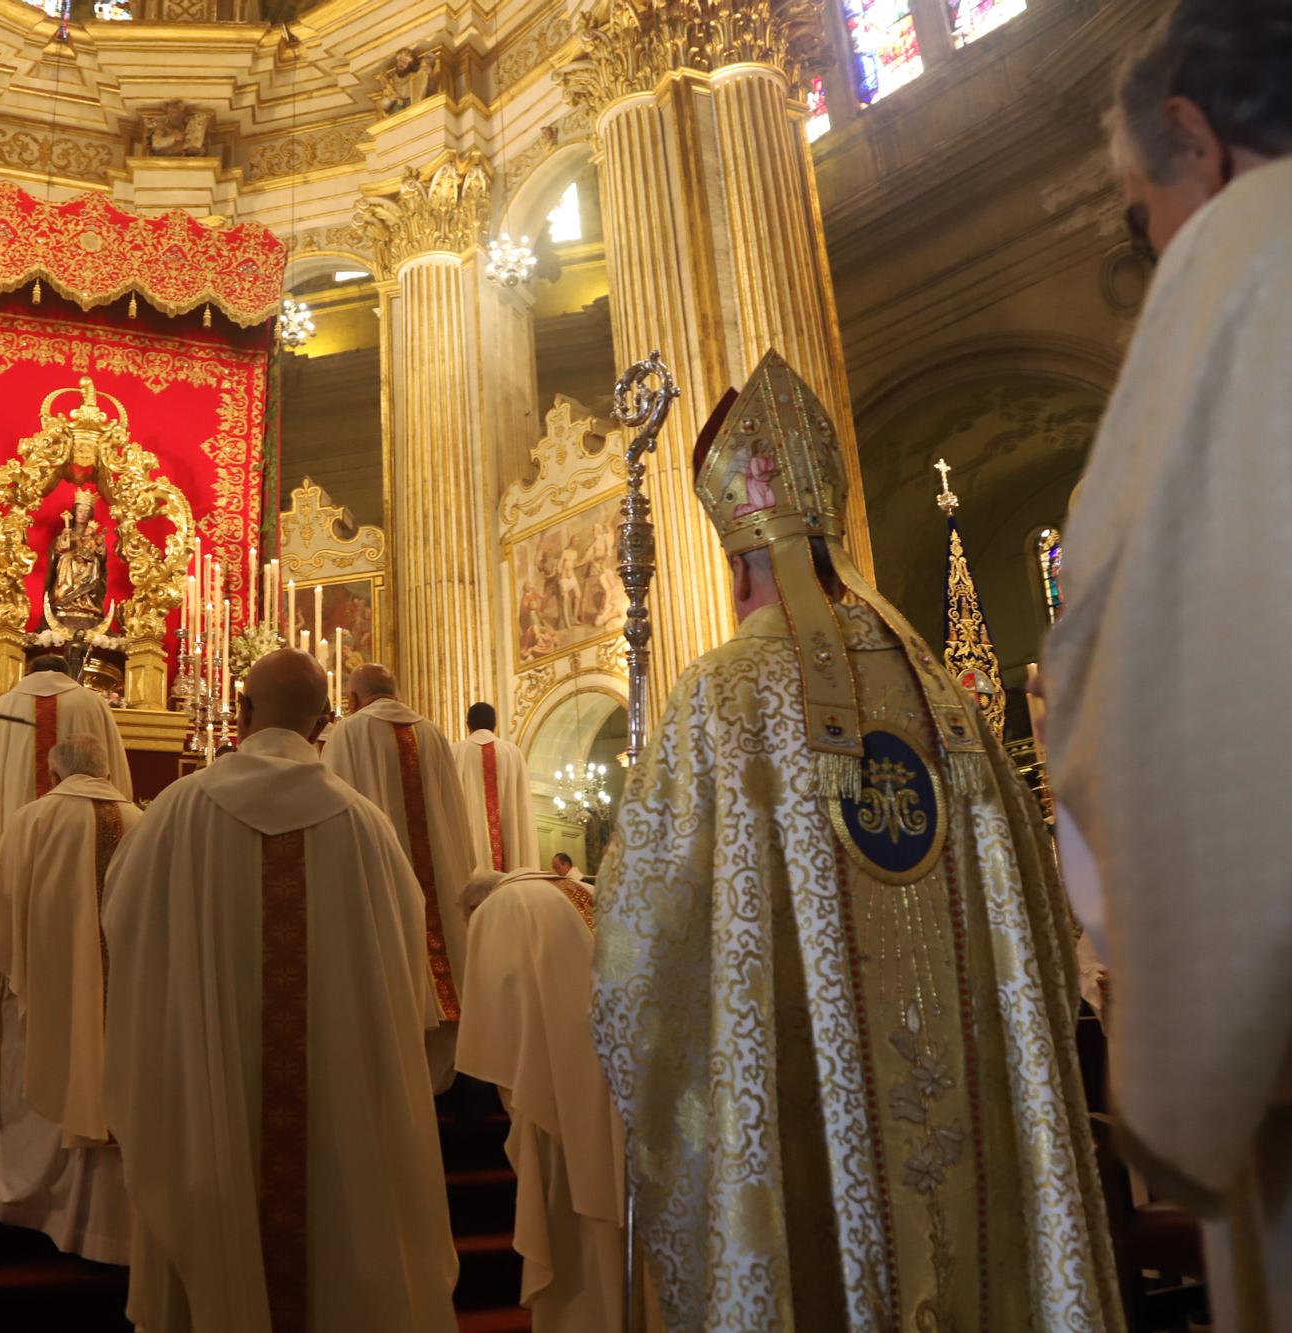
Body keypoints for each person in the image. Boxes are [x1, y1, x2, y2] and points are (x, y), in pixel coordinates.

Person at [1043, 5, 1292, 1329]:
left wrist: (1172, 1074)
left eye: (1135, 213)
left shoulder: (1269, 246)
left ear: (1195, 141)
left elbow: (1178, 696)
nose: (1156, 247)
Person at [596, 350, 1120, 1330]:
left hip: (810, 1179)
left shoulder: (723, 695)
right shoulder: (951, 707)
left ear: (737, 556)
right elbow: (1043, 947)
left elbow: (640, 971)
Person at [101, 649, 458, 1332]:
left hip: (211, 1102)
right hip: (337, 1103)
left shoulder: (177, 813)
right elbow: (407, 972)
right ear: (325, 722)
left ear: (240, 710)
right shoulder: (367, 828)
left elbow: (123, 926)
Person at [0, 733, 138, 1264]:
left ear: (55, 772)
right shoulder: (141, 820)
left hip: (43, 990)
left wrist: (1, 967)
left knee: (41, 1074)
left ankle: (36, 1200)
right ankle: (104, 1227)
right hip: (124, 998)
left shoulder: (34, 819)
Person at [456, 867, 623, 1332]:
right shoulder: (582, 891)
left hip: (557, 1089)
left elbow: (498, 1031)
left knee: (573, 1220)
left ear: (474, 908)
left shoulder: (501, 909)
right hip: (621, 1074)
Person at [321, 663, 476, 1090]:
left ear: (353, 699)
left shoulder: (348, 734)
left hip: (377, 881)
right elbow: (456, 815)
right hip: (440, 884)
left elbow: (332, 812)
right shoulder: (433, 732)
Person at [0, 652, 133, 957]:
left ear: (28, 671)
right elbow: (113, 767)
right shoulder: (92, 703)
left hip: (14, 824)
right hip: (82, 830)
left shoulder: (4, 705)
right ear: (69, 674)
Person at [451, 702, 536, 872]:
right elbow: (523, 807)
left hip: (469, 861)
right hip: (509, 862)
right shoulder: (513, 753)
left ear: (468, 725)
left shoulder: (455, 752)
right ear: (495, 724)